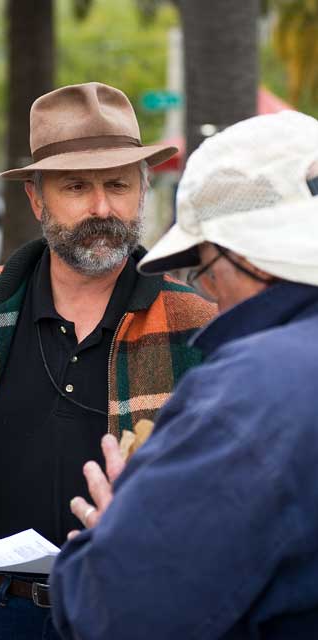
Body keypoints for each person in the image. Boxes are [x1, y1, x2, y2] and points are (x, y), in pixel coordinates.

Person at [0, 82, 214, 640]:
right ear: (36, 198)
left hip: (139, 614)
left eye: (119, 185)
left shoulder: (197, 325)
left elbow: (229, 489)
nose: (103, 207)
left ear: (143, 192)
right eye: (76, 186)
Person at [51, 109, 318, 640]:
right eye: (76, 186)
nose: (208, 288)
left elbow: (112, 611)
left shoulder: (251, 388)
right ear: (37, 197)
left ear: (249, 255)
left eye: (203, 263)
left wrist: (118, 528)